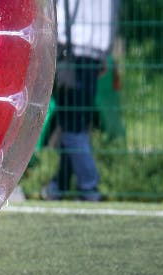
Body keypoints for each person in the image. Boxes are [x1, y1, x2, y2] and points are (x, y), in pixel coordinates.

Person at [43, 0, 118, 201]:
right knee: (77, 122)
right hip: (94, 50)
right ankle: (59, 185)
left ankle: (89, 186)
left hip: (70, 50)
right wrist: (105, 53)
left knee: (72, 126)